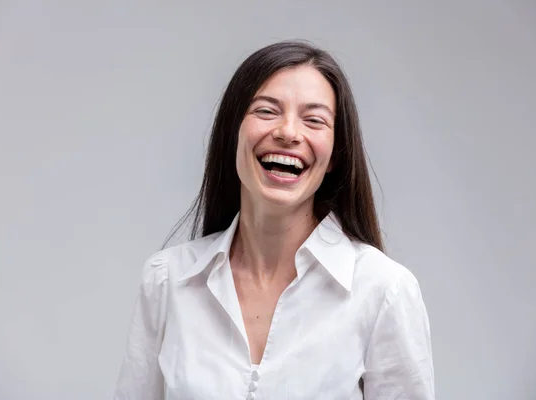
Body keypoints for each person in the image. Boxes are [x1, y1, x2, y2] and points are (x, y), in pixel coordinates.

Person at [113, 40, 435, 399]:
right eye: (266, 111)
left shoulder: (383, 290)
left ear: (335, 156)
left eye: (314, 120)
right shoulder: (167, 281)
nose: (288, 133)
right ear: (232, 132)